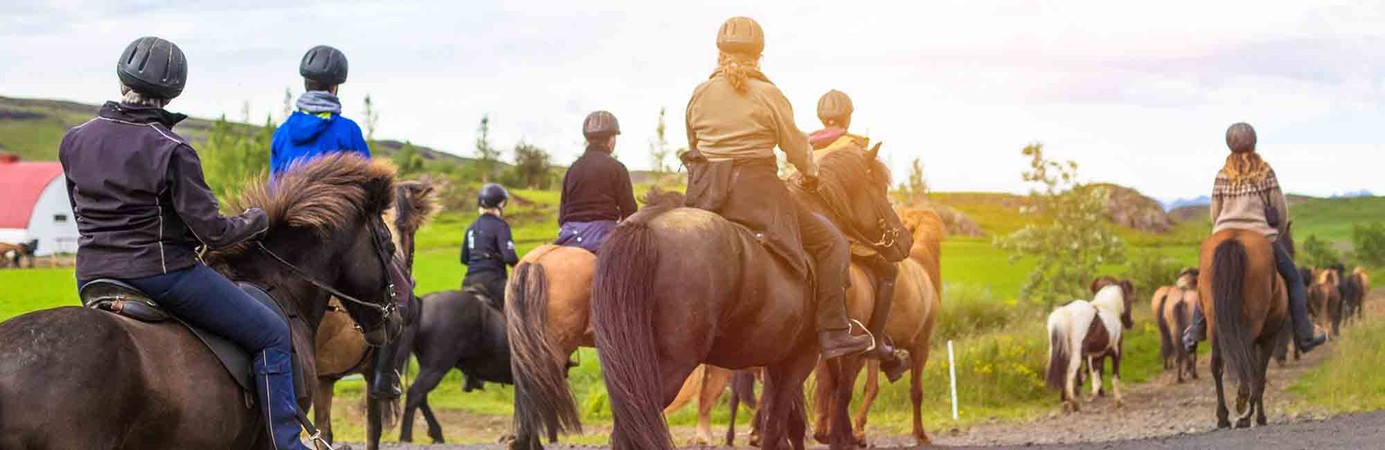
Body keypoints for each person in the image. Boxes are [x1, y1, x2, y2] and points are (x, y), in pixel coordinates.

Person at [61, 37, 320, 450]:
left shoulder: (74, 139)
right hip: (161, 275)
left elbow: (83, 212)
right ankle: (289, 443)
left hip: (91, 274)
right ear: (172, 90)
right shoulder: (172, 148)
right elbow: (212, 233)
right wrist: (258, 220)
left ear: (122, 79)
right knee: (271, 332)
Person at [682, 16, 873, 359]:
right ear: (760, 53)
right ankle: (833, 332)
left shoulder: (700, 94)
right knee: (831, 242)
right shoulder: (768, 94)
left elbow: (693, 142)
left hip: (705, 194)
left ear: (719, 52)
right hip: (758, 195)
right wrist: (811, 174)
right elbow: (797, 149)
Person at [1183, 123, 1326, 353]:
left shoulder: (1222, 175)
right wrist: (1276, 232)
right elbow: (1279, 208)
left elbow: (1214, 211)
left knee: (1205, 279)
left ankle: (1196, 330)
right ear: (1254, 142)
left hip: (1222, 231)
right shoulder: (1265, 172)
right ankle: (1305, 334)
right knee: (1294, 278)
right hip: (1262, 234)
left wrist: (1222, 227)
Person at [810, 89, 909, 381]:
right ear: (848, 116)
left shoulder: (804, 145)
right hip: (840, 234)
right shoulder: (854, 149)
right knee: (888, 270)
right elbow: (862, 203)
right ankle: (875, 340)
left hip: (805, 227)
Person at [270, 45, 370, 179]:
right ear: (334, 87)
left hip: (290, 200)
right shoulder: (348, 130)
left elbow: (274, 186)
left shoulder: (281, 133)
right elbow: (370, 181)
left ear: (305, 83)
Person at [555, 111, 638, 253]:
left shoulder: (572, 169)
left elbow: (562, 214)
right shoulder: (617, 168)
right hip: (604, 233)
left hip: (570, 234)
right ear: (611, 139)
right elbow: (629, 210)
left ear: (588, 140)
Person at [462, 183, 520, 301]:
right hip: (493, 282)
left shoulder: (471, 228)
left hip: (468, 282)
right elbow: (510, 258)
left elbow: (464, 259)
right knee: (520, 306)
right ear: (499, 204)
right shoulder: (500, 226)